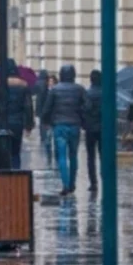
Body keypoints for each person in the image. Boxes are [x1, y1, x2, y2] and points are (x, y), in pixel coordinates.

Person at [41, 64, 86, 195]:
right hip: (75, 125)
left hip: (59, 125)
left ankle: (65, 184)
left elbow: (47, 108)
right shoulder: (80, 89)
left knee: (61, 156)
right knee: (73, 155)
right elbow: (86, 106)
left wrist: (46, 122)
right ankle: (72, 183)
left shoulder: (54, 90)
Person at [0, 61, 35, 169]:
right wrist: (29, 125)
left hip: (3, 122)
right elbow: (28, 107)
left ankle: (3, 173)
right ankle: (16, 173)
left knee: (2, 149)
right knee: (16, 151)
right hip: (18, 122)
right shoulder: (23, 86)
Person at [83, 69, 102, 193]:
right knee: (104, 156)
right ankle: (105, 179)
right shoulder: (106, 93)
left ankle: (93, 183)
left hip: (90, 128)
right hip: (103, 128)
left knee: (91, 157)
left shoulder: (87, 93)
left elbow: (85, 110)